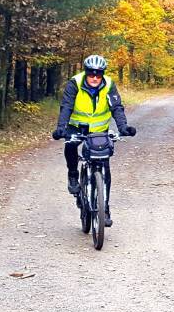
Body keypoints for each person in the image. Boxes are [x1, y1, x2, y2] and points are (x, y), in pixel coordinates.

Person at [51, 55, 134, 226]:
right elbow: (66, 106)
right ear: (86, 72)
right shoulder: (75, 83)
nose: (95, 78)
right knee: (70, 145)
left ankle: (105, 208)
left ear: (102, 74)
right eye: (91, 74)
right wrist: (61, 128)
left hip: (99, 129)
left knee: (105, 165)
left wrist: (123, 127)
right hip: (76, 126)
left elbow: (116, 107)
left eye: (98, 74)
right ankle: (73, 174)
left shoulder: (109, 84)